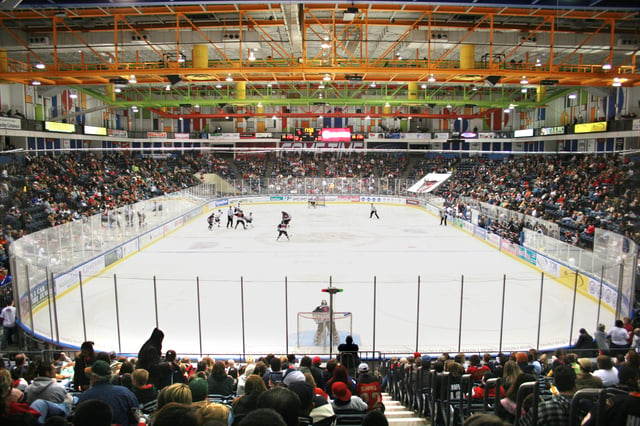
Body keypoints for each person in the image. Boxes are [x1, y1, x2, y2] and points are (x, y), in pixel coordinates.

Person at [76, 360, 140, 426]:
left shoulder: (85, 397)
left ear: (94, 377)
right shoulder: (125, 393)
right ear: (110, 376)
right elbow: (136, 416)